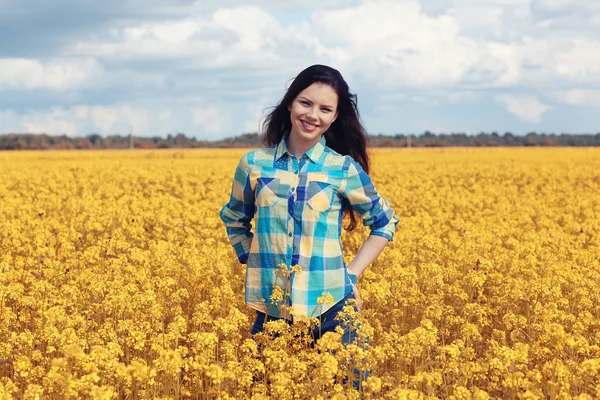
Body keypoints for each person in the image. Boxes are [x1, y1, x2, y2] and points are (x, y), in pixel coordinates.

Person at [219, 64, 399, 388]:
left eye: (324, 108)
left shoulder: (342, 168)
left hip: (334, 311)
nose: (312, 114)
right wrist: (255, 259)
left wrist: (351, 275)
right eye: (305, 103)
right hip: (274, 314)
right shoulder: (253, 164)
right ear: (290, 103)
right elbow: (234, 218)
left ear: (333, 117)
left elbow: (384, 223)